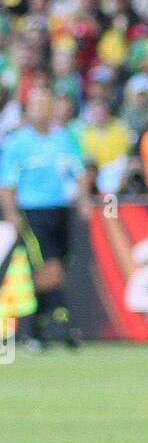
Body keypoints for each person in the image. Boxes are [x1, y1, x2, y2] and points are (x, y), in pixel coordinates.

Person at [0, 85, 91, 349]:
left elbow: (80, 171)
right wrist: (12, 215)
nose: (41, 110)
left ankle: (34, 328)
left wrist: (84, 200)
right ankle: (63, 321)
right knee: (47, 266)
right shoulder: (17, 143)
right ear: (28, 110)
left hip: (60, 211)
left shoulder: (64, 138)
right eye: (36, 104)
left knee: (57, 266)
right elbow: (7, 185)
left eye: (45, 104)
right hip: (32, 212)